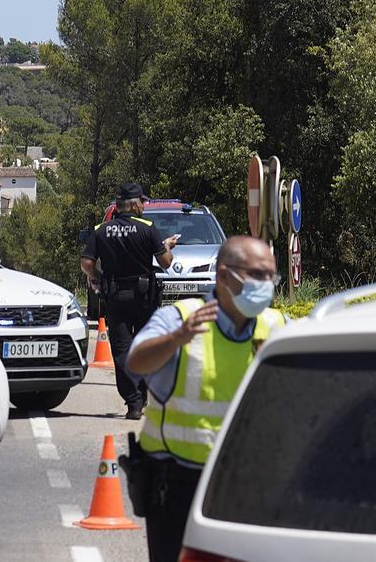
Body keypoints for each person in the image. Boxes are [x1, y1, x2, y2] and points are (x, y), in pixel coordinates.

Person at [124, 236, 289, 562]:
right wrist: (176, 339)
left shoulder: (278, 326)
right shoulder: (181, 319)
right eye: (257, 275)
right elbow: (135, 363)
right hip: (178, 483)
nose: (266, 285)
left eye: (271, 276)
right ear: (224, 276)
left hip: (249, 482)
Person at [81, 183, 178, 419]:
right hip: (144, 298)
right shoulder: (147, 227)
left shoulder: (101, 229)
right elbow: (165, 262)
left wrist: (97, 278)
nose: (144, 206)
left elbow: (86, 262)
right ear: (134, 205)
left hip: (115, 298)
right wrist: (166, 246)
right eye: (142, 202)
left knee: (122, 351)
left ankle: (133, 402)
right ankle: (143, 395)